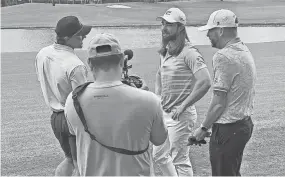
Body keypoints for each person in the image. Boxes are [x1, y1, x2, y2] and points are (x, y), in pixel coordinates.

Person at [64, 33, 168, 176]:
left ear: (90, 63)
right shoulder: (149, 100)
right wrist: (142, 96)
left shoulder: (72, 100)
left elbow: (75, 134)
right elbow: (159, 139)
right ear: (122, 61)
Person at [193, 9, 256, 176]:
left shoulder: (223, 56)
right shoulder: (243, 49)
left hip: (228, 130)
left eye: (210, 31)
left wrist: (203, 128)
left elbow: (219, 102)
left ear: (220, 30)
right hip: (243, 125)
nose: (208, 35)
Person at [154, 7, 212, 176]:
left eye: (169, 24)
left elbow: (205, 81)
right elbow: (160, 73)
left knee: (179, 159)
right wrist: (158, 96)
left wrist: (183, 105)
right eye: (163, 23)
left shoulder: (189, 53)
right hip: (164, 113)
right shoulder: (165, 51)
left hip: (181, 116)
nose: (164, 27)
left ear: (180, 28)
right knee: (158, 155)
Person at [35, 16, 91, 176]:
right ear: (67, 38)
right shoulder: (75, 65)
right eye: (80, 35)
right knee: (82, 165)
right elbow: (82, 101)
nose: (84, 37)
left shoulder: (43, 53)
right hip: (72, 120)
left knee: (70, 160)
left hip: (55, 119)